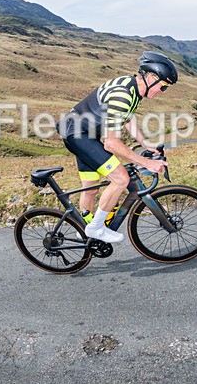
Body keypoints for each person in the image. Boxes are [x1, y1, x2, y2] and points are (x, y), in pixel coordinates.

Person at [57, 51, 176, 243]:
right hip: (78, 134)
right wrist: (146, 162)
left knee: (90, 189)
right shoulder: (123, 93)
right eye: (162, 87)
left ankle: (84, 229)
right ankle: (95, 229)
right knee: (121, 179)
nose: (161, 92)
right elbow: (111, 143)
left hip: (84, 133)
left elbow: (126, 118)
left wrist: (144, 142)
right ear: (151, 77)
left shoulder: (134, 90)